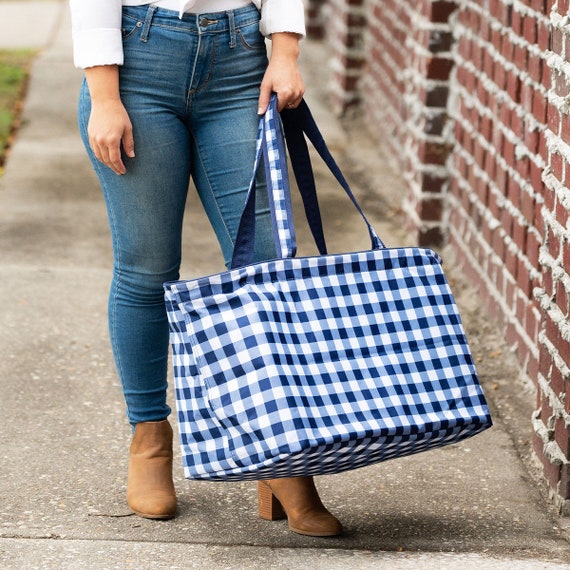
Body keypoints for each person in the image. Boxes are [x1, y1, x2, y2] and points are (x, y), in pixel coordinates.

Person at [69, 0, 342, 537]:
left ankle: (283, 456)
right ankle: (150, 437)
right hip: (138, 63)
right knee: (147, 269)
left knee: (267, 269)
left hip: (239, 60)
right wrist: (104, 96)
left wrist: (284, 50)